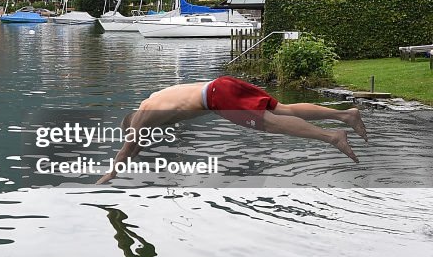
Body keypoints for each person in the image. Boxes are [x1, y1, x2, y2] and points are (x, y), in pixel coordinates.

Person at [96, 76, 368, 184]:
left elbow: (129, 148)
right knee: (282, 109)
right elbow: (138, 146)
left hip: (217, 99)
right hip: (221, 84)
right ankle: (344, 114)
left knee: (270, 124)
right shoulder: (153, 100)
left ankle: (332, 136)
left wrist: (109, 174)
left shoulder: (143, 118)